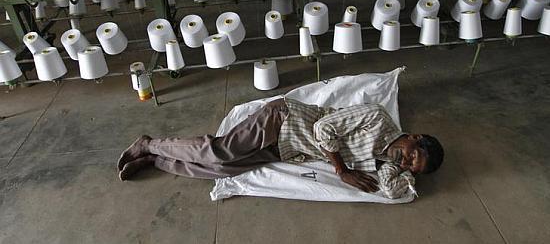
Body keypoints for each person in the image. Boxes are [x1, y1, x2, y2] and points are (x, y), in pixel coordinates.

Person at [117, 98, 444, 199]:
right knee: (219, 153)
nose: (405, 161)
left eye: (410, 167)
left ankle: (153, 160)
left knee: (217, 171)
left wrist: (408, 176)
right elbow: (323, 128)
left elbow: (390, 189)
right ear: (413, 136)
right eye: (413, 156)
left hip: (286, 150)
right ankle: (149, 142)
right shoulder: (377, 117)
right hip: (284, 120)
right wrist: (342, 171)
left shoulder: (390, 164)